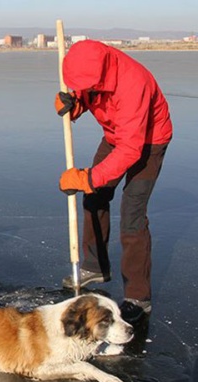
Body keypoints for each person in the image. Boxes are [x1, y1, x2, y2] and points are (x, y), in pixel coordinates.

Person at [54, 40, 173, 323]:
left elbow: (131, 149)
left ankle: (138, 296)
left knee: (132, 213)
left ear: (104, 72)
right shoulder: (90, 67)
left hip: (149, 141)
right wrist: (75, 104)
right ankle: (96, 266)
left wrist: (90, 177)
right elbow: (90, 96)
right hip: (115, 135)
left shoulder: (134, 83)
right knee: (94, 197)